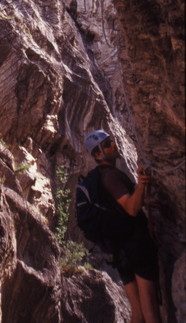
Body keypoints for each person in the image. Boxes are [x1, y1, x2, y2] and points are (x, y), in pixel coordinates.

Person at [84, 130, 162, 323]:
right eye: (107, 144)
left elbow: (115, 205)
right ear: (98, 154)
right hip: (137, 247)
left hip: (120, 251)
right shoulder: (111, 176)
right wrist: (142, 185)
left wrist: (143, 201)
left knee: (136, 314)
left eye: (111, 141)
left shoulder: (97, 178)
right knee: (150, 311)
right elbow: (130, 209)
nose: (113, 145)